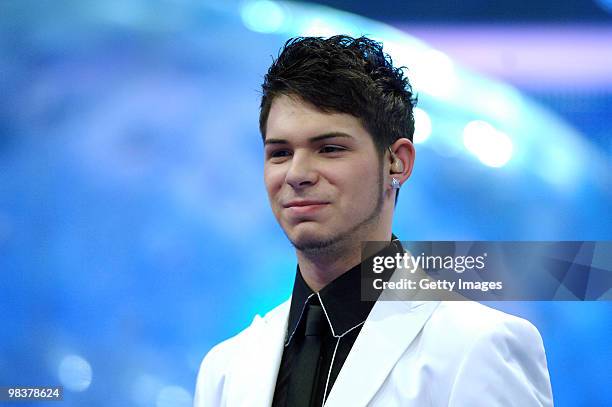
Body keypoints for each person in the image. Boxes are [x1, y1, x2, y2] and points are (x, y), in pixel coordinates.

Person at [194, 35, 553, 407]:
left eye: (329, 148)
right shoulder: (227, 369)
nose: (297, 174)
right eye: (280, 153)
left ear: (397, 161)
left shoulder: (477, 348)